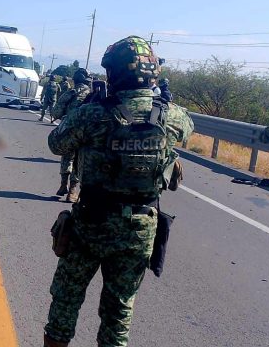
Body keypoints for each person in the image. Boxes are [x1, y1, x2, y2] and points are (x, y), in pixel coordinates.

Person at [44, 36, 193, 347]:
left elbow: (56, 143)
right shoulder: (172, 115)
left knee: (65, 303)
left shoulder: (93, 113)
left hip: (91, 224)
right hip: (139, 229)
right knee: (118, 313)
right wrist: (162, 101)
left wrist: (87, 106)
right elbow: (187, 130)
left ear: (113, 73)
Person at [51, 68, 92, 202]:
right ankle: (72, 192)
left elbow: (56, 112)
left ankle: (63, 185)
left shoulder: (69, 93)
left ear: (74, 80)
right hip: (85, 133)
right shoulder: (93, 95)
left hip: (68, 132)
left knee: (66, 157)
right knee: (79, 160)